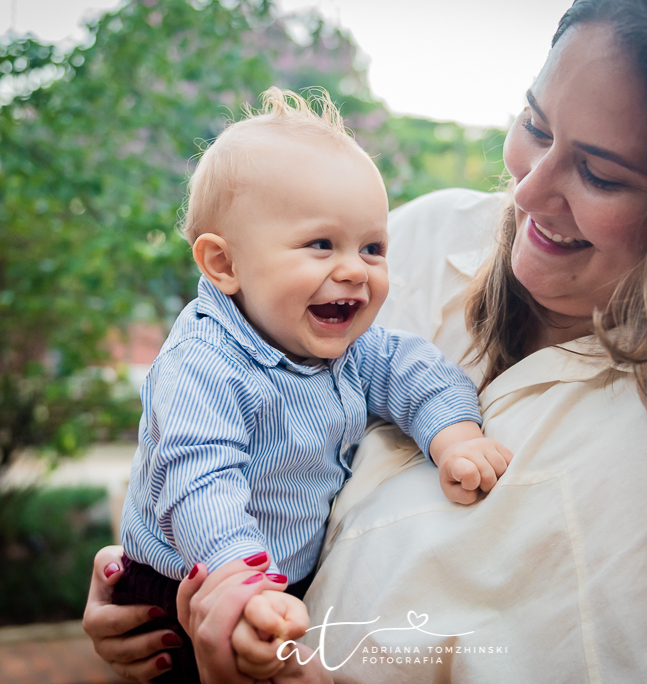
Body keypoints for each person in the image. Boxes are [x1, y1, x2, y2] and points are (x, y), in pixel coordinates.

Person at [83, 0, 647, 681]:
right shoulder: (427, 235)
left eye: (602, 174)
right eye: (536, 126)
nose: (530, 188)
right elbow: (213, 417)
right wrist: (159, 577)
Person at [113, 87, 513, 682]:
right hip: (190, 581)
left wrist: (453, 436)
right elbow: (197, 480)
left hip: (286, 573)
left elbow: (414, 369)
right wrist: (240, 583)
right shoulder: (202, 363)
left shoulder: (344, 344)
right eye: (320, 244)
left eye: (372, 247)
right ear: (224, 264)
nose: (354, 269)